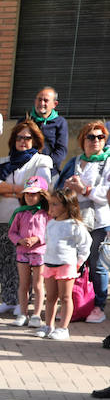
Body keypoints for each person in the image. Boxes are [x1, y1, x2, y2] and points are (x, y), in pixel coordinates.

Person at [0, 120, 53, 315]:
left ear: (35, 140)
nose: (23, 141)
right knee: (5, 259)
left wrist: (10, 190)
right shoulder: (3, 162)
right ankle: (8, 299)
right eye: (19, 137)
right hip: (3, 215)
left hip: (29, 221)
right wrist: (22, 190)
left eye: (28, 138)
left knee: (27, 264)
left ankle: (23, 303)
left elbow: (41, 187)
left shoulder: (42, 161)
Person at [56, 121, 110, 324]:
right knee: (71, 264)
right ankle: (73, 303)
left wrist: (85, 190)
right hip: (74, 221)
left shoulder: (108, 162)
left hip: (98, 221)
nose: (95, 141)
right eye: (91, 137)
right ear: (83, 140)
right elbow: (59, 186)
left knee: (97, 265)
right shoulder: (75, 161)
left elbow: (107, 193)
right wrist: (68, 188)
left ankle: (98, 306)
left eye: (100, 137)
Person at [36, 186, 91, 341]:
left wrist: (78, 263)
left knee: (65, 297)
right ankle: (48, 325)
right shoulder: (51, 223)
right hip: (49, 264)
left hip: (66, 266)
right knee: (51, 297)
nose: (51, 207)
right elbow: (48, 241)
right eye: (51, 203)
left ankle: (63, 328)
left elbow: (86, 245)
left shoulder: (76, 225)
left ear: (67, 206)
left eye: (55, 204)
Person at [7, 176, 49, 328]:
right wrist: (19, 240)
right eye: (27, 194)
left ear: (41, 195)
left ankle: (37, 315)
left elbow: (50, 233)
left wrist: (37, 239)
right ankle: (23, 313)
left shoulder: (46, 214)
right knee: (24, 284)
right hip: (22, 253)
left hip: (39, 253)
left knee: (38, 285)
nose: (30, 197)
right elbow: (12, 233)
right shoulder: (19, 213)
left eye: (34, 194)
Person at [29, 87, 68, 171]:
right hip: (27, 169)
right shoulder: (26, 121)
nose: (41, 103)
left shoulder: (60, 122)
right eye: (39, 100)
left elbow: (61, 151)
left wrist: (44, 164)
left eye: (46, 100)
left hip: (49, 170)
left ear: (54, 104)